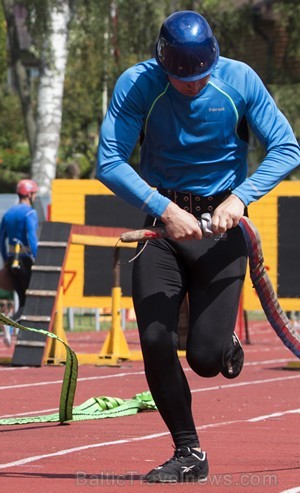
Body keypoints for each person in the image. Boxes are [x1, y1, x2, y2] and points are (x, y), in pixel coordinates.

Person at [97, 11, 300, 483]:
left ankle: (221, 343)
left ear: (214, 60)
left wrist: (240, 198)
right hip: (163, 227)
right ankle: (189, 451)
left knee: (206, 361)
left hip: (222, 230)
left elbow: (287, 147)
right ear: (163, 64)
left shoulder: (240, 80)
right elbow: (110, 161)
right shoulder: (137, 85)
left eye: (201, 77)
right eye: (182, 78)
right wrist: (164, 209)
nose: (192, 85)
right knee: (153, 339)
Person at [0, 179, 39, 346]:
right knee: (30, 301)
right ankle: (10, 325)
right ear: (29, 194)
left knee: (23, 299)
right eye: (34, 193)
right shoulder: (30, 213)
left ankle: (20, 334)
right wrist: (37, 259)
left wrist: (5, 261)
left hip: (11, 261)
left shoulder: (8, 213)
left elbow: (1, 240)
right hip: (26, 261)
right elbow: (31, 238)